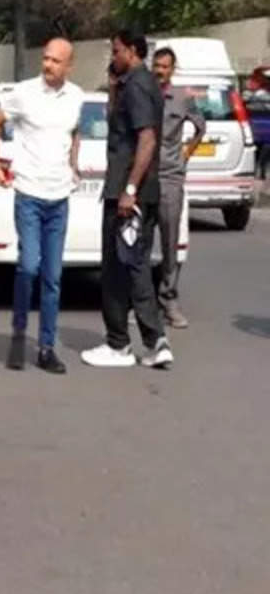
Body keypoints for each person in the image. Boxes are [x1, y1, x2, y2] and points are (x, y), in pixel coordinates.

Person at [0, 38, 84, 374]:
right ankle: (18, 332)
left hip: (59, 198)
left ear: (68, 66)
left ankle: (46, 347)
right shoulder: (24, 93)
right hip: (28, 194)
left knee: (53, 277)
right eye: (45, 58)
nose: (48, 65)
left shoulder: (76, 97)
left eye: (56, 61)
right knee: (28, 267)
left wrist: (74, 165)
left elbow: (74, 132)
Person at [82, 30, 174, 370]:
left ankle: (140, 341)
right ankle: (135, 341)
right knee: (126, 265)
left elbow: (146, 139)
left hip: (128, 193)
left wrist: (129, 190)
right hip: (134, 191)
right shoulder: (138, 83)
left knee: (125, 266)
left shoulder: (137, 85)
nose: (113, 55)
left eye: (117, 50)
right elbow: (116, 124)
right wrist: (112, 86)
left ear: (133, 51)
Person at [150, 47, 204, 329]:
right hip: (144, 176)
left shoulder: (182, 98)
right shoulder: (143, 93)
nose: (159, 71)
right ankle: (143, 304)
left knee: (170, 241)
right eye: (156, 65)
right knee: (141, 242)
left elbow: (200, 128)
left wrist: (185, 155)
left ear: (173, 69)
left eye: (164, 67)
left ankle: (169, 300)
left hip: (170, 176)